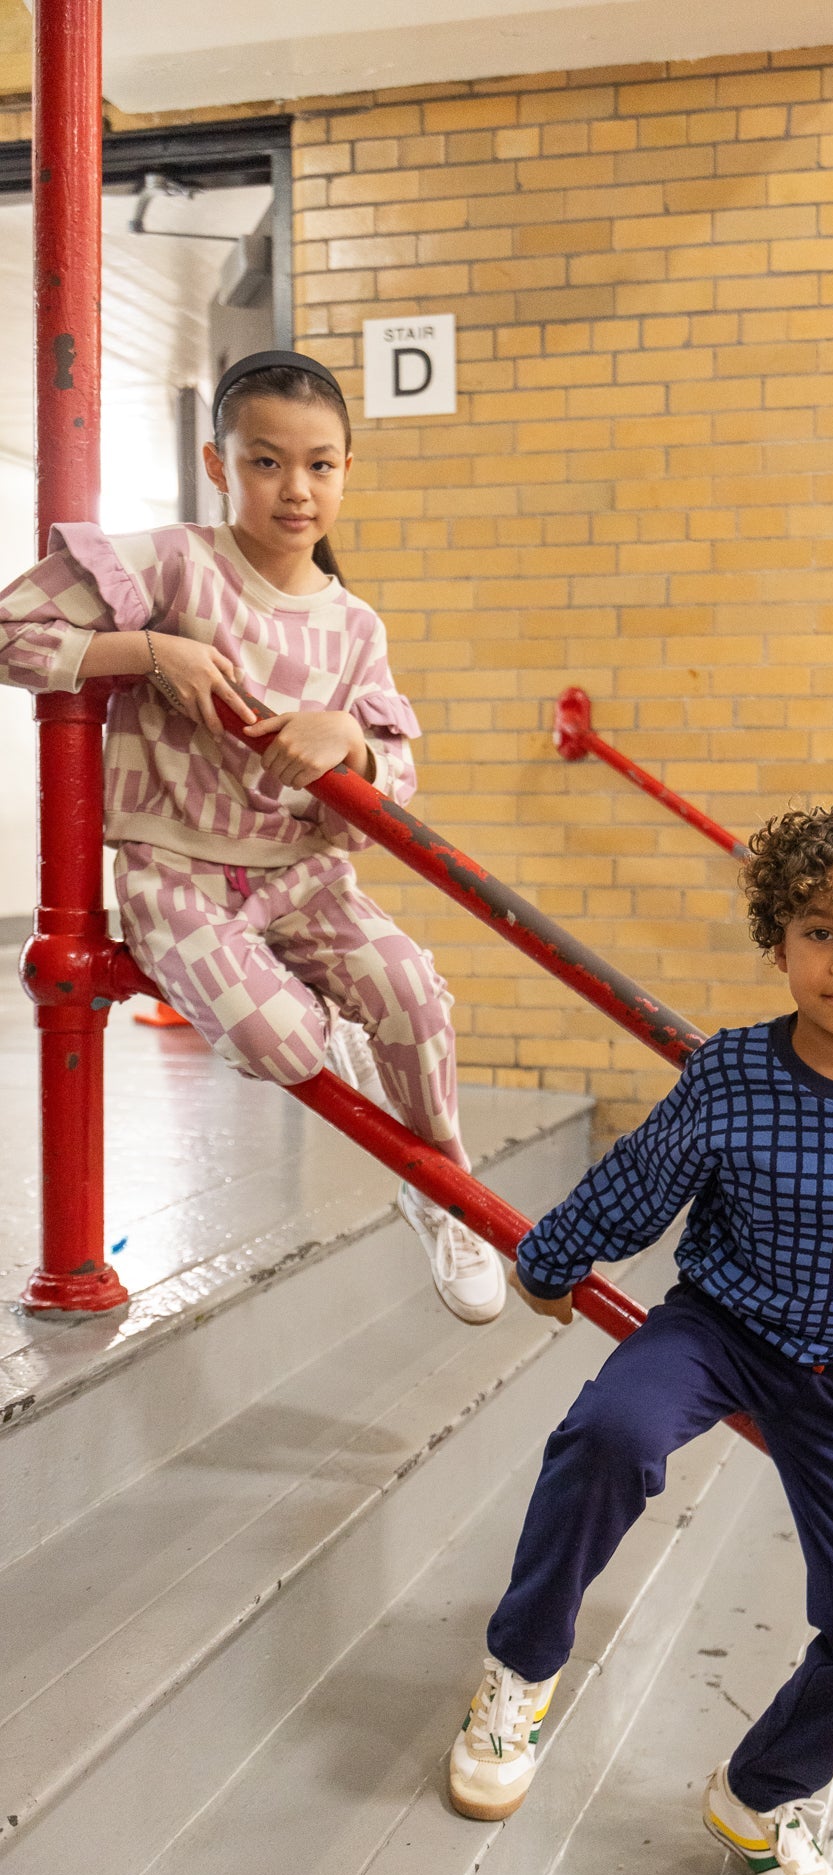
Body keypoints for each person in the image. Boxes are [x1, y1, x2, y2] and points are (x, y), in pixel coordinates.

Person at [448, 804, 833, 1875]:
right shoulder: (733, 1071)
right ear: (778, 940)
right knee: (609, 1434)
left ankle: (757, 1796)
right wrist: (550, 1254)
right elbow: (645, 1175)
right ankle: (521, 1671)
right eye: (819, 929)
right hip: (721, 1329)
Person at [0, 349, 504, 1324]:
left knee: (415, 1000)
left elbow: (395, 767)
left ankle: (445, 1193)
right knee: (281, 1044)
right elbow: (10, 629)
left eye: (320, 464)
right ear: (220, 463)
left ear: (348, 470)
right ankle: (329, 1047)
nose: (295, 488)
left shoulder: (355, 625)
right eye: (266, 461)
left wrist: (348, 736)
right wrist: (147, 650)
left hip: (308, 879)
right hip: (178, 875)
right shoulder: (172, 563)